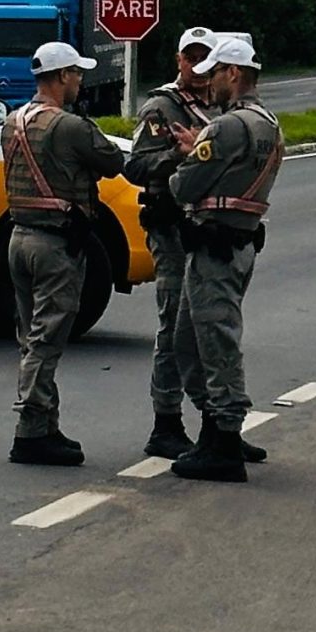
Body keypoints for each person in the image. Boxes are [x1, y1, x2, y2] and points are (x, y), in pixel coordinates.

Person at [2, 40, 127, 465]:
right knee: (47, 338)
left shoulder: (12, 121)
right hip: (55, 244)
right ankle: (31, 430)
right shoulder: (69, 126)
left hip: (19, 237)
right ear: (59, 77)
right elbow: (111, 161)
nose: (80, 80)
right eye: (76, 73)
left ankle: (46, 424)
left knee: (30, 336)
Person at [167, 35, 283, 482]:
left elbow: (184, 186)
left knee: (213, 343)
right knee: (190, 341)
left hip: (214, 246)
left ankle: (224, 438)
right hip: (238, 241)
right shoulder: (266, 122)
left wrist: (191, 156)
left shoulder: (228, 126)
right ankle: (217, 431)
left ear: (233, 73)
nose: (208, 81)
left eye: (214, 73)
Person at [124, 25, 224, 459]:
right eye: (191, 57)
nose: (198, 66)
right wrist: (177, 156)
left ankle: (216, 423)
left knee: (209, 327)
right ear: (179, 60)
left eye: (206, 58)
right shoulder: (163, 107)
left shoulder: (221, 105)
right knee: (174, 324)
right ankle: (166, 421)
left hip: (209, 226)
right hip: (171, 228)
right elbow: (135, 167)